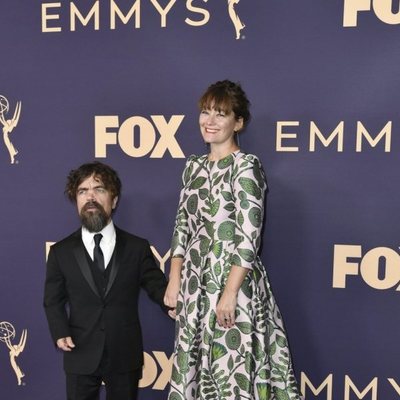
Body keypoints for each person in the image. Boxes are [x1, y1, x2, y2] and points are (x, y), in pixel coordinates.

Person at [164, 80, 302, 399]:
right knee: (194, 376)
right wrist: (174, 282)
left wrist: (229, 293)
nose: (209, 121)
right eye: (205, 112)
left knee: (230, 375)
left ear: (237, 122)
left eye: (220, 114)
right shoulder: (193, 167)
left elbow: (248, 236)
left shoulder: (246, 167)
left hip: (232, 287)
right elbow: (181, 227)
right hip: (194, 287)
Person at [43, 161, 168, 400]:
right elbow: (52, 300)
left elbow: (156, 286)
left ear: (115, 199)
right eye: (82, 191)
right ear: (76, 200)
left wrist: (171, 304)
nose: (90, 197)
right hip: (79, 350)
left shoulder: (136, 247)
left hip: (124, 350)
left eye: (99, 189)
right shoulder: (61, 251)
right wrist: (60, 331)